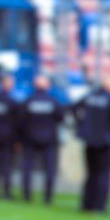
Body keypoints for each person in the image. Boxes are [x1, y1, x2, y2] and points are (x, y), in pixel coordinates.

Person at [72, 76, 110, 214]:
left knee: (91, 173)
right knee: (104, 174)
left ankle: (87, 204)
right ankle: (99, 206)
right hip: (106, 141)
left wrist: (81, 126)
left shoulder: (90, 96)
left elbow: (74, 108)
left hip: (90, 140)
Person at [19, 74, 64, 205]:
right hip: (49, 139)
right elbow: (61, 117)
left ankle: (26, 195)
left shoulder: (28, 101)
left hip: (30, 138)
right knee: (49, 169)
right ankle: (48, 197)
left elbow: (21, 120)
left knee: (27, 167)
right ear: (48, 86)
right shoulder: (53, 101)